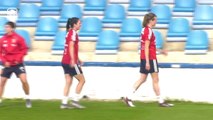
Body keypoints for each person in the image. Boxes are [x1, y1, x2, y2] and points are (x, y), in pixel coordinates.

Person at [124, 13, 173, 107]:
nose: (156, 21)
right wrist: (147, 61)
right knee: (155, 79)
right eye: (155, 19)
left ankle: (128, 97)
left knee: (142, 79)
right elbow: (146, 47)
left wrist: (161, 51)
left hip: (144, 57)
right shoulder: (149, 31)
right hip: (150, 58)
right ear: (151, 20)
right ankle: (161, 101)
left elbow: (150, 46)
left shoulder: (144, 30)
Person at [0, 21, 31, 108]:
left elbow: (24, 49)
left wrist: (18, 59)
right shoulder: (2, 39)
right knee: (2, 82)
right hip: (7, 65)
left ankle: (28, 97)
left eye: (8, 27)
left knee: (24, 80)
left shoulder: (19, 38)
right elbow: (0, 53)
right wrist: (4, 61)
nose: (6, 29)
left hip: (18, 64)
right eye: (5, 27)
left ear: (12, 28)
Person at [60, 17, 86, 109]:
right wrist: (73, 60)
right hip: (70, 62)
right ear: (74, 24)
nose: (80, 24)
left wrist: (78, 58)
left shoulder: (68, 32)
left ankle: (64, 103)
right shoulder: (73, 33)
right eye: (79, 23)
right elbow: (71, 46)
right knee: (82, 80)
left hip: (64, 61)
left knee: (68, 82)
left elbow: (73, 48)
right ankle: (75, 101)